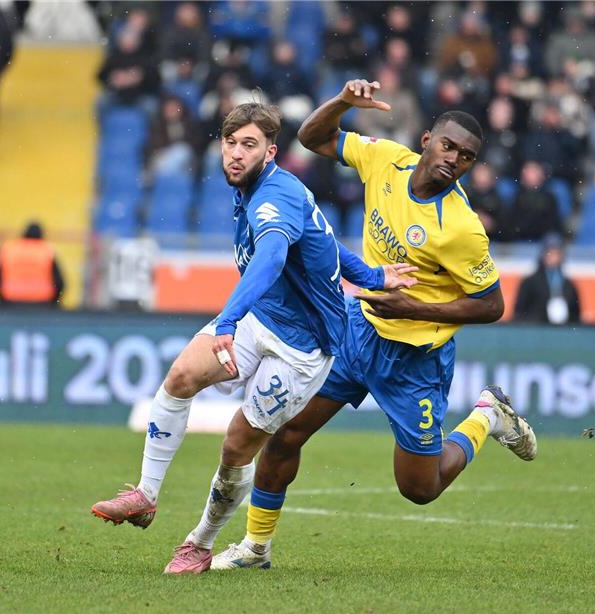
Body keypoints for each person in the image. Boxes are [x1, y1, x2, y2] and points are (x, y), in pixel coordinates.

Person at [206, 79, 537, 572]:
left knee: (419, 489)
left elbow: (491, 305)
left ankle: (487, 415)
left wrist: (415, 309)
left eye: (466, 156)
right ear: (426, 141)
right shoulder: (387, 159)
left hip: (415, 358)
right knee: (284, 435)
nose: (453, 159)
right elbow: (314, 138)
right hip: (356, 333)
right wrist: (342, 101)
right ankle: (256, 548)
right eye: (447, 145)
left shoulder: (462, 227)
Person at [89, 101, 416, 575]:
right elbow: (322, 241)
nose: (236, 154)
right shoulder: (264, 188)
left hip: (302, 350)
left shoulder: (272, 200)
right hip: (261, 317)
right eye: (230, 143)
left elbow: (271, 259)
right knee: (180, 376)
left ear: (270, 152)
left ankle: (200, 543)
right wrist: (371, 274)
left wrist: (226, 320)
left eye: (249, 145)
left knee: (236, 446)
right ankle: (145, 495)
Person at [513, 233, 581, 325]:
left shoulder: (569, 285)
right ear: (542, 254)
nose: (553, 257)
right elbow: (519, 314)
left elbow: (576, 316)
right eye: (550, 253)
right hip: (537, 332)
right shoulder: (529, 282)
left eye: (557, 253)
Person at [0, 222, 65, 307]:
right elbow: (59, 283)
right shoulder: (47, 250)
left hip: (10, 302)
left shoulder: (8, 249)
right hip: (42, 304)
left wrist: (1, 302)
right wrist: (55, 304)